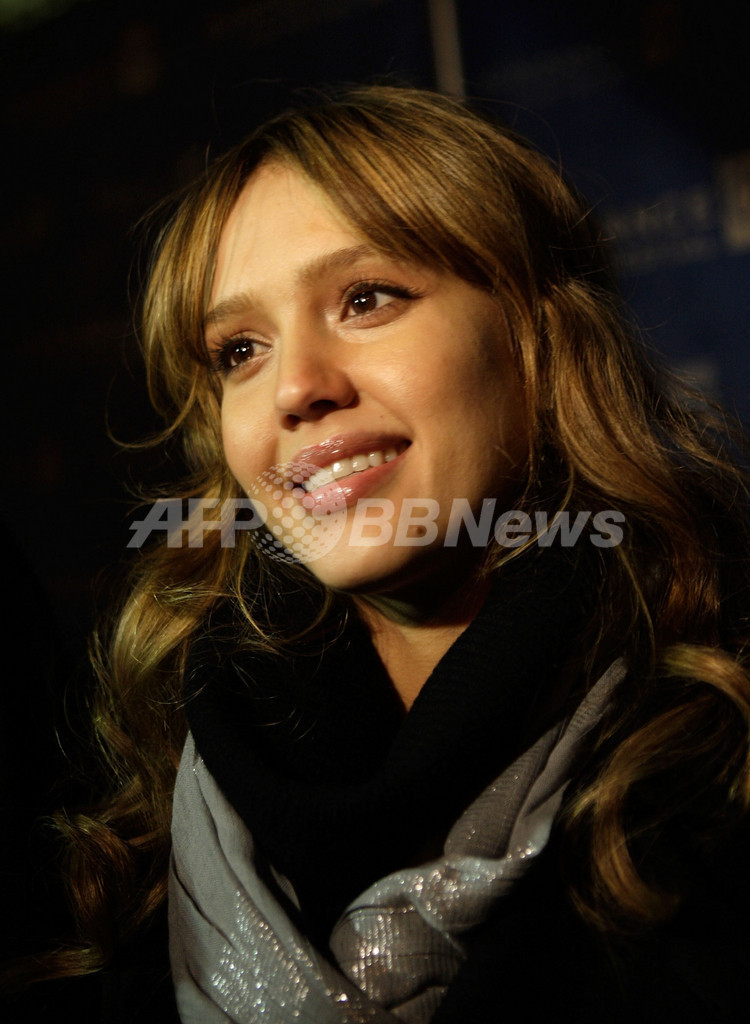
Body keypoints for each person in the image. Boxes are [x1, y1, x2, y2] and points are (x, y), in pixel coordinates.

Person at [5, 84, 750, 1022]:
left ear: (536, 332)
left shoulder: (717, 748)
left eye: (366, 299)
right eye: (240, 350)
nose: (296, 388)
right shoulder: (151, 791)